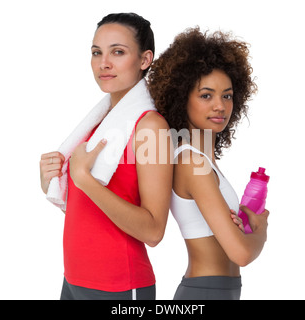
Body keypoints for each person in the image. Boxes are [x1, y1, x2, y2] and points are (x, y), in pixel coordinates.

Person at [39, 13, 173, 300]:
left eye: (118, 52)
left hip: (119, 286)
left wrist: (85, 180)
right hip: (74, 279)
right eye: (96, 52)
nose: (104, 63)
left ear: (145, 59)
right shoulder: (101, 125)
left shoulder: (150, 126)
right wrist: (52, 182)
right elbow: (93, 212)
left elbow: (153, 231)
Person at [148, 27, 269, 300]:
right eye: (206, 95)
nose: (220, 106)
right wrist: (261, 231)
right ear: (181, 98)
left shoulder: (202, 159)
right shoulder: (191, 161)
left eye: (226, 95)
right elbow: (240, 253)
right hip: (204, 292)